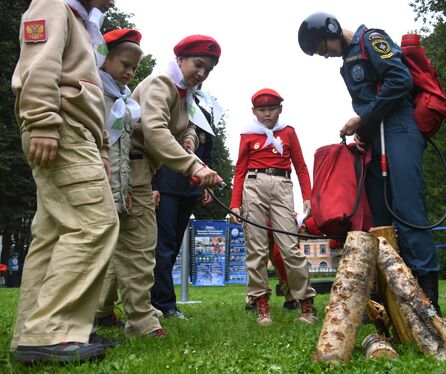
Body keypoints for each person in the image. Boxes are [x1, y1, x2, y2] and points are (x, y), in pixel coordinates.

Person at [298, 12, 442, 315]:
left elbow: (400, 80)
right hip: (375, 138)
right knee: (377, 216)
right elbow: (367, 101)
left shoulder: (371, 40)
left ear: (332, 30)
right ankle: (388, 294)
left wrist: (362, 119)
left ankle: (428, 297)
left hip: (400, 127)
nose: (325, 56)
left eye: (323, 48)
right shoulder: (347, 62)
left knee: (408, 209)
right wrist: (362, 132)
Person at [10, 0, 119, 364]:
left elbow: (89, 94)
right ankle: (52, 331)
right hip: (62, 127)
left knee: (53, 234)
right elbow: (38, 64)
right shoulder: (53, 3)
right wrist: (41, 120)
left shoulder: (80, 19)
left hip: (75, 130)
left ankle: (34, 330)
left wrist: (102, 149)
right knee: (94, 224)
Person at [122, 35, 222, 332]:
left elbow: (186, 126)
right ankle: (146, 317)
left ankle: (103, 312)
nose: (202, 73)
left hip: (141, 166)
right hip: (134, 166)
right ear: (180, 59)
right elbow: (154, 131)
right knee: (142, 246)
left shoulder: (183, 95)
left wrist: (189, 140)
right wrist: (195, 165)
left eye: (208, 70)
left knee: (121, 244)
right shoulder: (161, 83)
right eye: (198, 64)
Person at [93, 28, 165, 339]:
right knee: (97, 252)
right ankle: (87, 316)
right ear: (104, 59)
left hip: (123, 186)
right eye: (125, 64)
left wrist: (128, 191)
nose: (130, 72)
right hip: (96, 186)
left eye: (135, 68)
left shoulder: (124, 98)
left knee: (136, 250)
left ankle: (140, 320)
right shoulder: (94, 91)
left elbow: (125, 149)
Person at [230, 88, 317, 326]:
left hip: (281, 185)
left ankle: (307, 304)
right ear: (254, 111)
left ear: (280, 109)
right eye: (262, 110)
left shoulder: (287, 132)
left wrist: (307, 196)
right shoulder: (247, 134)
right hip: (253, 184)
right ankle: (261, 305)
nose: (267, 114)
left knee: (289, 247)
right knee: (256, 248)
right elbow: (239, 170)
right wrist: (235, 204)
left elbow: (300, 165)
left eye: (271, 109)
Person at [150, 103, 215, 320]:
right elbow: (154, 145)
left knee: (174, 245)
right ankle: (164, 304)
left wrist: (206, 184)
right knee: (164, 246)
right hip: (166, 186)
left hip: (189, 188)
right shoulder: (170, 106)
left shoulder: (203, 114)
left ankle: (159, 299)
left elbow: (206, 151)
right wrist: (154, 185)